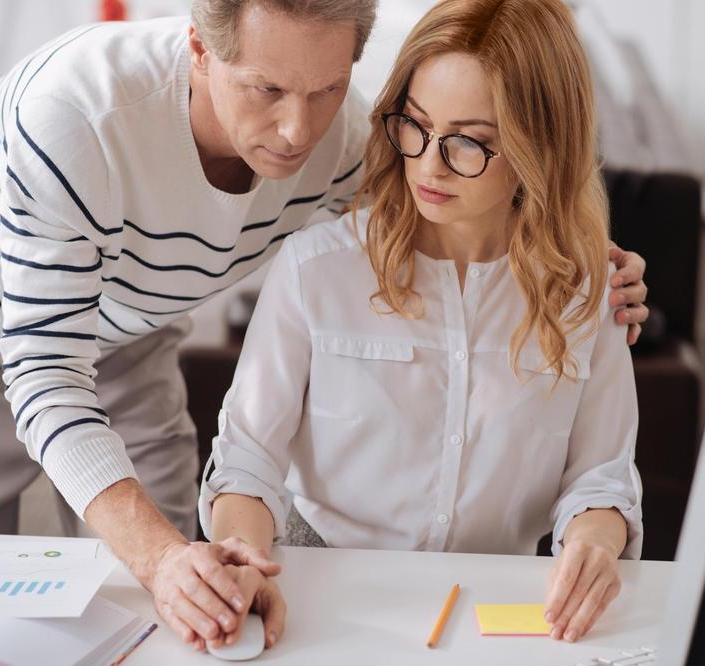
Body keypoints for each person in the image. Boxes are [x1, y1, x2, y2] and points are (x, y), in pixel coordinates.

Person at [0, 0, 649, 652]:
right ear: (200, 50)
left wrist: (582, 261)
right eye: (267, 89)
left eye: (326, 89)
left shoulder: (349, 141)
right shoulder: (77, 117)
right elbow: (45, 374)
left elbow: (457, 234)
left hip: (132, 335)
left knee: (164, 616)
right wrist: (159, 556)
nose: (294, 131)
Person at [199, 0, 643, 652]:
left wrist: (595, 545)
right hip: (320, 591)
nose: (429, 165)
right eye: (417, 125)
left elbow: (601, 478)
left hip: (495, 607)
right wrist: (239, 557)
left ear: (538, 146)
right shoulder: (317, 270)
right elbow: (245, 460)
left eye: (468, 142)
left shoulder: (587, 292)